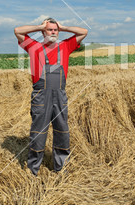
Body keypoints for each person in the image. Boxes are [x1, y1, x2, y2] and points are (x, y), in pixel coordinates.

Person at [14, 18, 88, 175]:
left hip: (59, 95)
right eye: (49, 30)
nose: (53, 32)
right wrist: (41, 25)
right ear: (43, 32)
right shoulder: (34, 47)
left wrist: (63, 27)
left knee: (62, 130)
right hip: (41, 96)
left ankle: (61, 167)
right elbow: (17, 31)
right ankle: (33, 169)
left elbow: (84, 32)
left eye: (55, 30)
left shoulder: (65, 46)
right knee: (39, 131)